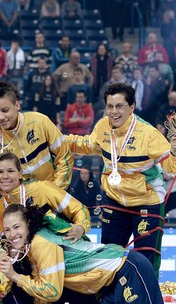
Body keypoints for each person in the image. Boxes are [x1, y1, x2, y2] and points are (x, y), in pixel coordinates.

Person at [0, 204, 176, 304]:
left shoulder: (40, 243)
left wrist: (15, 277)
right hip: (108, 287)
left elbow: (51, 291)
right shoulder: (31, 248)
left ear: (28, 224)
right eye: (7, 230)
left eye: (17, 227)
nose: (12, 234)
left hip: (127, 268)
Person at [67, 82, 176, 276]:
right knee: (109, 260)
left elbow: (170, 166)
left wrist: (175, 152)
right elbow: (88, 145)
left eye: (119, 106)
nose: (114, 112)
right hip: (114, 200)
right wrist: (58, 141)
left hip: (147, 202)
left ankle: (147, 303)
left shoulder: (148, 134)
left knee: (145, 263)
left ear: (132, 107)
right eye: (110, 106)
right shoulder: (103, 126)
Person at [0, 80, 73, 190]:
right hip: (21, 202)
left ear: (17, 105)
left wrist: (54, 192)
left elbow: (64, 157)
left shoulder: (40, 121)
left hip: (55, 190)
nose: (1, 117)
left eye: (5, 110)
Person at [0, 151, 91, 241]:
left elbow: (79, 209)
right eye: (0, 172)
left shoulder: (42, 188)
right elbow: (5, 239)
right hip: (33, 256)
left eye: (10, 171)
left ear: (20, 174)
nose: (5, 176)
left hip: (66, 244)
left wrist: (81, 227)